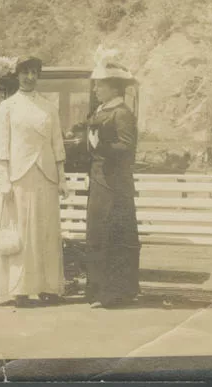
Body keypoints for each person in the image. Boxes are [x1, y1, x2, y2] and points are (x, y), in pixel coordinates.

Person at [0, 56, 69, 308]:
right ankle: (20, 289)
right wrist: (4, 178)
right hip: (19, 177)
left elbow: (57, 143)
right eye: (25, 72)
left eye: (34, 72)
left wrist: (62, 178)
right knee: (22, 232)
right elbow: (2, 146)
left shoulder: (48, 107)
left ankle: (49, 288)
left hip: (46, 175)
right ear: (17, 75)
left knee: (47, 232)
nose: (30, 77)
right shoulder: (7, 107)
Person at [85, 49, 140, 308]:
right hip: (100, 181)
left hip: (115, 185)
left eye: (100, 85)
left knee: (113, 236)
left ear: (113, 87)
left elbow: (127, 147)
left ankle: (114, 293)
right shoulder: (102, 110)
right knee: (98, 235)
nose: (96, 89)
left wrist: (101, 146)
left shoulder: (122, 113)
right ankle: (98, 291)